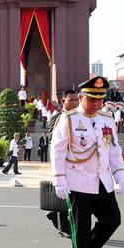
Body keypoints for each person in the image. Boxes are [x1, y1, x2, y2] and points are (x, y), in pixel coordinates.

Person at [50, 76, 124, 248]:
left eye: (100, 100)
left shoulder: (107, 120)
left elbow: (113, 149)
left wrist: (119, 173)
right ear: (82, 97)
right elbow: (57, 152)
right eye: (92, 99)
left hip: (102, 180)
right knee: (81, 228)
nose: (96, 104)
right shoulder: (69, 119)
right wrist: (59, 180)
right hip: (77, 181)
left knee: (112, 220)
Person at [44, 89, 79, 238]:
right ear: (63, 101)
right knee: (62, 194)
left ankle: (55, 214)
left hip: (77, 163)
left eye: (77, 99)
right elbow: (54, 143)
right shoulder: (57, 118)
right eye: (71, 100)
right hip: (62, 162)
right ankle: (62, 226)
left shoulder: (80, 117)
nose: (75, 102)